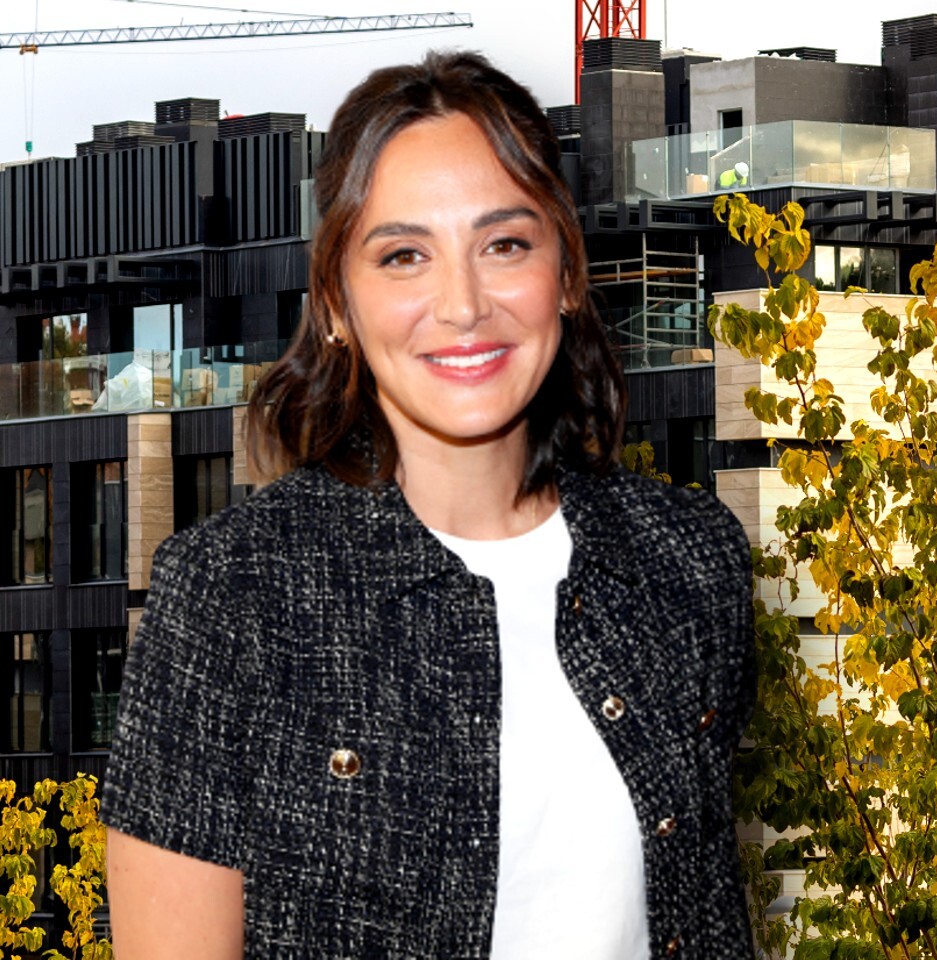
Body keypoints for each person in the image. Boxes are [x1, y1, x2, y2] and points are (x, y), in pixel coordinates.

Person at [101, 50, 756, 959]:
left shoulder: (688, 563)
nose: (462, 305)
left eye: (505, 244)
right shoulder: (232, 596)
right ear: (336, 300)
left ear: (565, 273)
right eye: (404, 255)